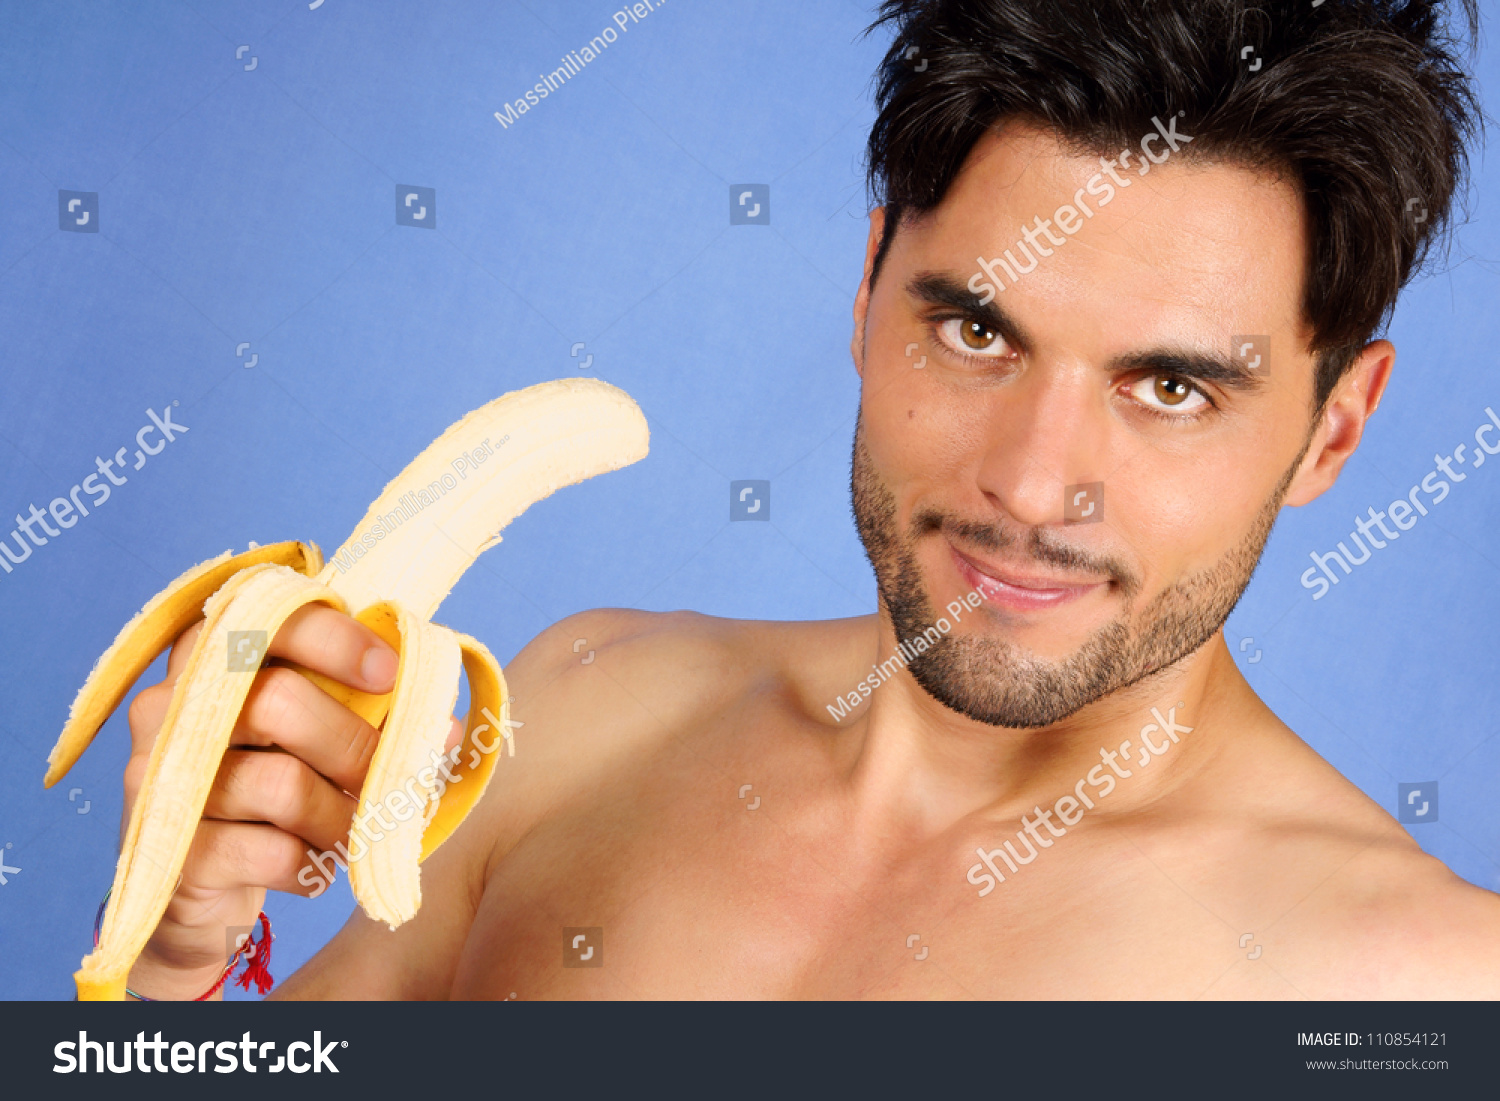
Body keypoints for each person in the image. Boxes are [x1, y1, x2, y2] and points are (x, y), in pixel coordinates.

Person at [120, 0, 1499, 999]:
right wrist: (183, 947)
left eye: (1172, 389)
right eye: (974, 334)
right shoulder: (580, 712)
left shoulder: (1414, 985)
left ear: (1336, 429)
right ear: (866, 293)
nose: (1028, 480)